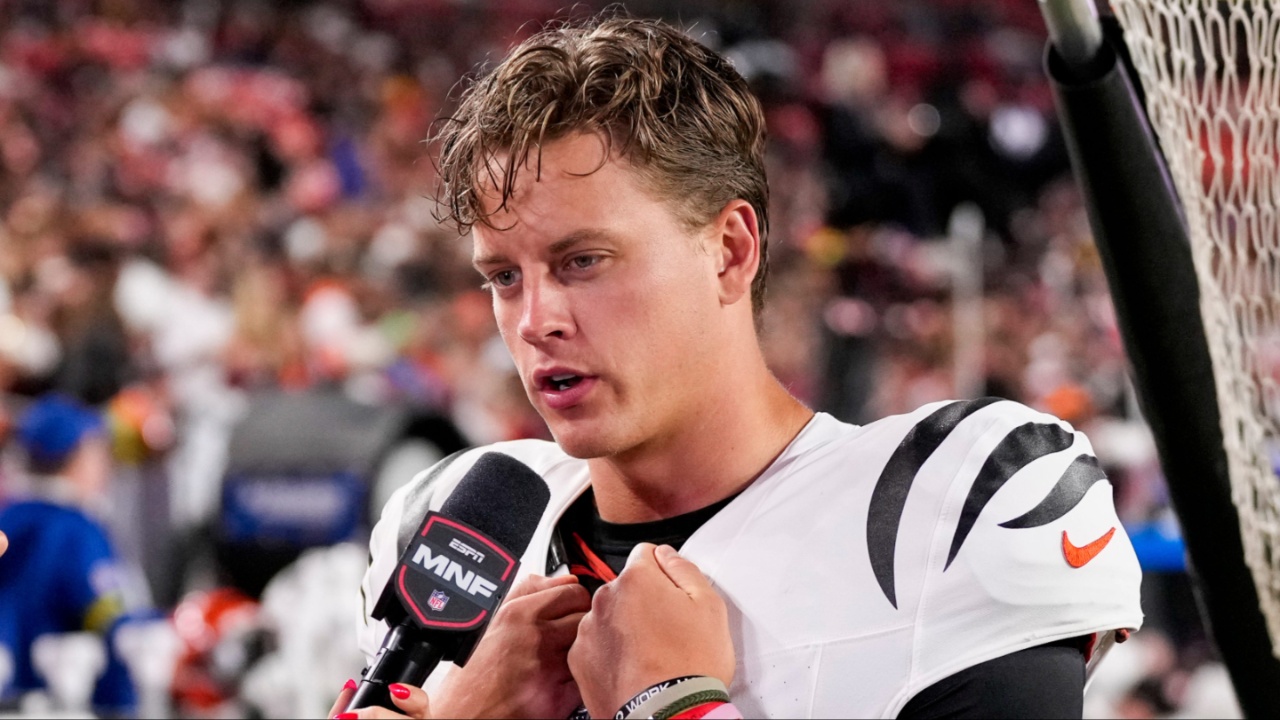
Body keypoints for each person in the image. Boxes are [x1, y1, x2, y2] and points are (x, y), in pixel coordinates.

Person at [336, 14, 1142, 720]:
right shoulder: (453, 522)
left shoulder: (937, 510)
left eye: (583, 260)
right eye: (504, 277)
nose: (535, 318)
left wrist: (673, 703)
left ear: (730, 251)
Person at [0, 394, 138, 714]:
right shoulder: (77, 531)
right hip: (71, 699)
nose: (106, 465)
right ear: (73, 457)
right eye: (97, 453)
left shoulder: (9, 517)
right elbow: (112, 615)